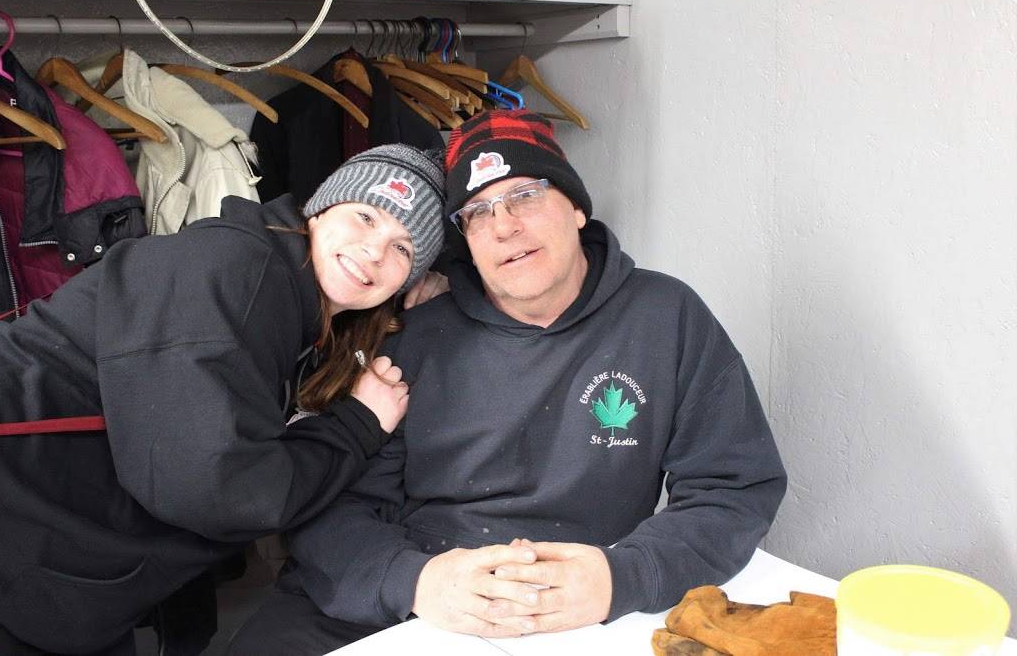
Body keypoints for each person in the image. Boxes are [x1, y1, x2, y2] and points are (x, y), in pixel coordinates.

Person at [227, 110, 788, 654]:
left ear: (577, 208)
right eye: (477, 212)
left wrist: (623, 576)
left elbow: (732, 487)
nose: (503, 226)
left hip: (581, 605)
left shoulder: (667, 317)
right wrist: (415, 581)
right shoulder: (410, 333)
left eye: (525, 195)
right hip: (417, 589)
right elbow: (331, 499)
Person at [0, 143, 446, 655]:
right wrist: (356, 426)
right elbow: (218, 490)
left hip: (40, 545)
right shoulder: (238, 270)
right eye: (365, 217)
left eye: (404, 249)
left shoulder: (295, 301)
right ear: (319, 209)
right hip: (13, 515)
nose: (375, 252)